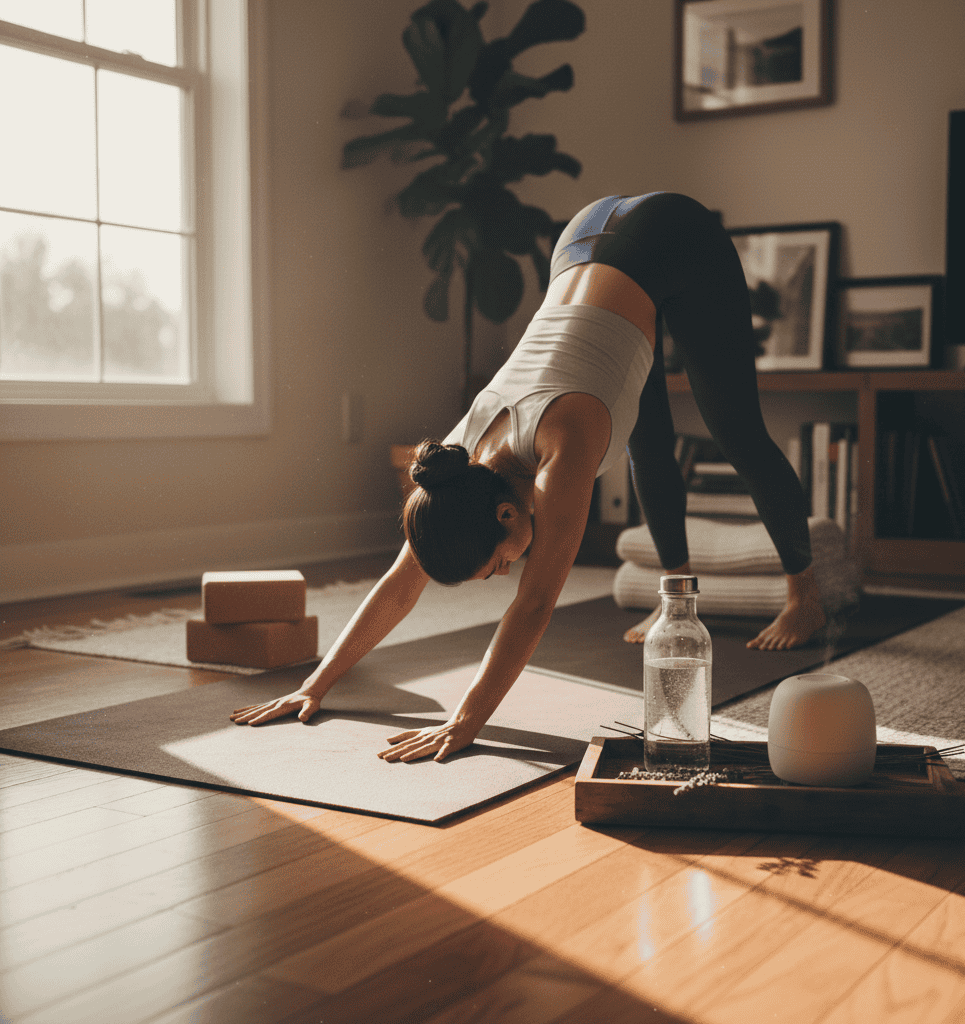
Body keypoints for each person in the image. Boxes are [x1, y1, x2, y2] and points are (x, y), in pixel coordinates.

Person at [230, 192, 826, 762]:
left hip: (672, 235)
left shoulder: (561, 450)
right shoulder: (457, 465)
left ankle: (804, 595)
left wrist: (466, 719)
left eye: (495, 562)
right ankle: (675, 596)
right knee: (645, 436)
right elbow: (400, 582)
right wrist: (317, 684)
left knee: (737, 432)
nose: (504, 570)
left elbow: (535, 603)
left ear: (506, 513)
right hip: (583, 233)